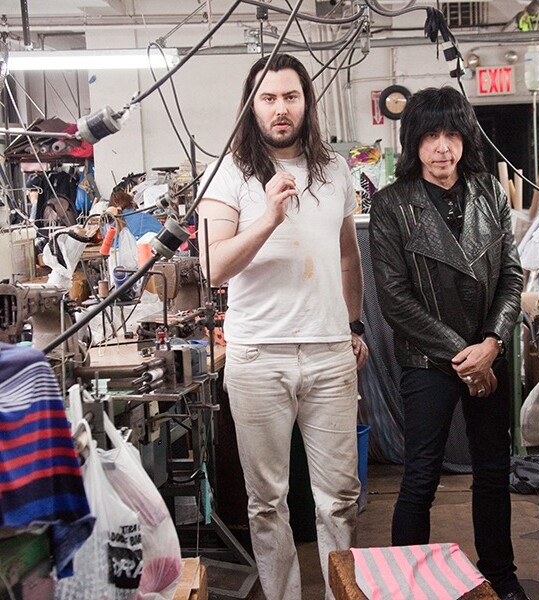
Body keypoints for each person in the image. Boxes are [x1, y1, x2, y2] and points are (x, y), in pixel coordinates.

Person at [196, 53, 368, 600]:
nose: (279, 108)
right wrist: (268, 217)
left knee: (339, 495)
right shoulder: (228, 172)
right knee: (267, 501)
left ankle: (342, 593)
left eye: (289, 96)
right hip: (257, 357)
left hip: (328, 353)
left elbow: (347, 257)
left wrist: (355, 325)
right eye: (267, 98)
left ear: (306, 102)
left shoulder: (336, 170)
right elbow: (214, 266)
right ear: (251, 106)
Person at [368, 86, 528, 600]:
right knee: (419, 479)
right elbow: (394, 299)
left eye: (452, 134)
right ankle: (403, 584)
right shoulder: (392, 205)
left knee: (492, 472)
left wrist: (493, 342)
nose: (443, 148)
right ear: (413, 140)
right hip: (428, 359)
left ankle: (501, 577)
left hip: (488, 352)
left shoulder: (490, 193)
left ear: (464, 139)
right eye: (431, 135)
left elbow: (512, 276)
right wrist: (466, 355)